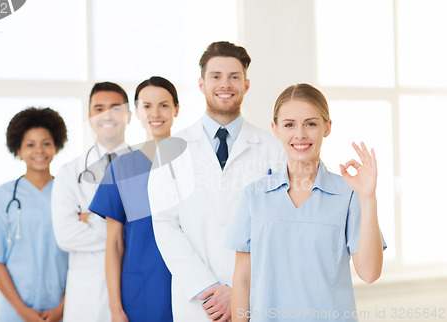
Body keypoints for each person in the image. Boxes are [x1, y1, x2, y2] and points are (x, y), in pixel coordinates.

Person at [147, 41, 286, 322]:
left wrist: (238, 291)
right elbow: (165, 226)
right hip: (199, 303)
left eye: (234, 77)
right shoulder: (171, 150)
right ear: (201, 84)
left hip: (255, 298)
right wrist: (209, 288)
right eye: (216, 76)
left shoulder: (274, 149)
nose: (226, 84)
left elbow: (281, 228)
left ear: (246, 84)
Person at [226, 83, 387, 322]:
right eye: (289, 124)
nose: (300, 134)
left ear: (327, 127)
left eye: (311, 123)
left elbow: (370, 273)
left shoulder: (349, 193)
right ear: (276, 129)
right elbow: (242, 278)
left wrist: (368, 197)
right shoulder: (254, 195)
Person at [89, 76, 179, 322]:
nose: (155, 113)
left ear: (176, 109)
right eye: (146, 106)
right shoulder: (121, 168)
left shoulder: (193, 164)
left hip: (189, 286)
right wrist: (115, 309)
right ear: (136, 112)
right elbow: (114, 244)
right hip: (140, 293)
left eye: (164, 104)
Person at [0, 107, 69, 322]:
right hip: (15, 311)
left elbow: (79, 256)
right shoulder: (0, 198)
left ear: (56, 146)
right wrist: (21, 309)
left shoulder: (69, 194)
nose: (40, 151)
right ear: (18, 150)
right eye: (30, 144)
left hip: (63, 308)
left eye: (46, 143)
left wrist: (62, 307)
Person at [51, 82, 132, 322]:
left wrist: (91, 217)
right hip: (87, 294)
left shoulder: (146, 167)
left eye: (115, 108)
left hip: (133, 283)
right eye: (99, 109)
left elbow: (152, 231)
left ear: (129, 115)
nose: (107, 115)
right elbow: (65, 236)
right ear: (90, 117)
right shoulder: (69, 172)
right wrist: (120, 227)